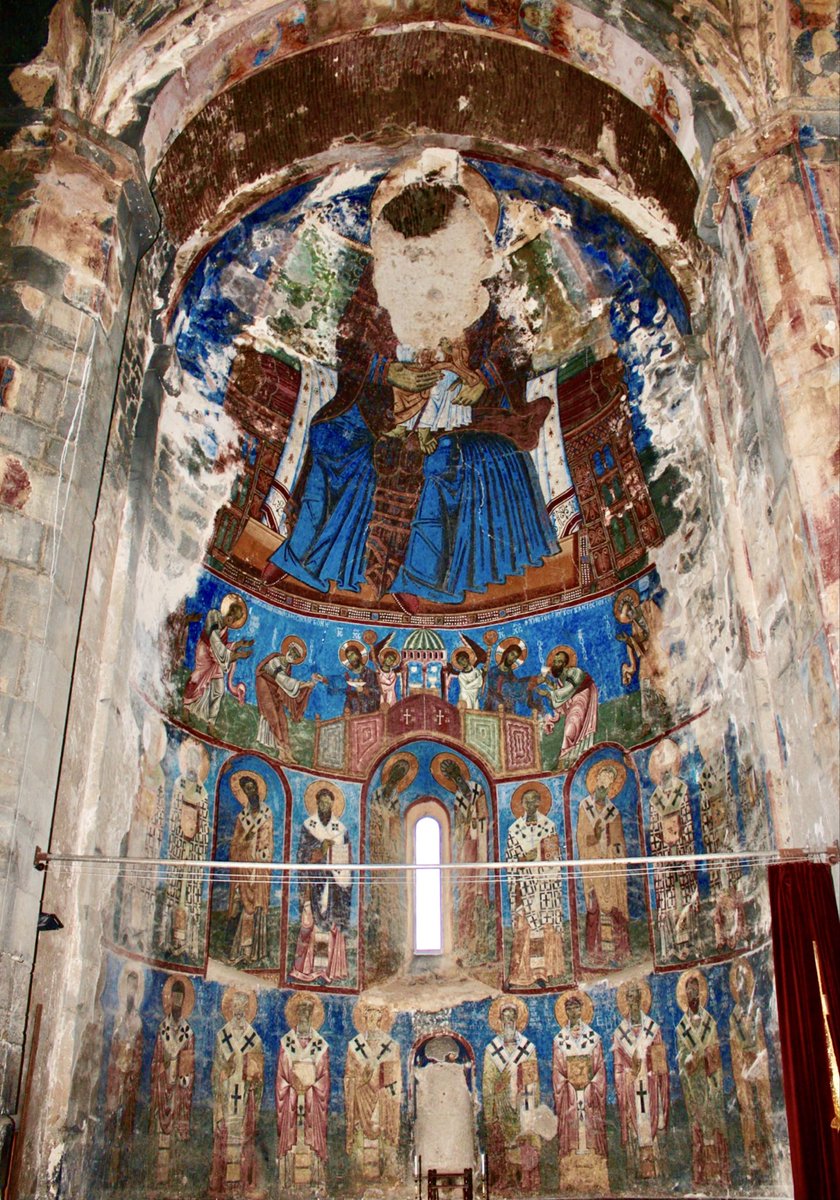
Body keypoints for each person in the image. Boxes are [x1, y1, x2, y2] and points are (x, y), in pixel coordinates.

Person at [261, 151, 556, 609]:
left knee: (446, 463)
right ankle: (304, 556)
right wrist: (386, 371)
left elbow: (516, 348)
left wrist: (483, 380)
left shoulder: (486, 283)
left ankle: (420, 579)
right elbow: (350, 342)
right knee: (330, 437)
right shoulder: (381, 278)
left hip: (468, 412)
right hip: (383, 403)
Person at [290, 783, 352, 984]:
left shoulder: (340, 830)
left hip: (333, 887)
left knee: (331, 926)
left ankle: (329, 970)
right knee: (311, 925)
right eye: (322, 802)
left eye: (328, 803)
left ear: (333, 805)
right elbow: (302, 856)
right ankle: (308, 969)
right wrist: (320, 849)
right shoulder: (309, 826)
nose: (325, 806)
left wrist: (339, 866)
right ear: (316, 804)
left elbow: (347, 861)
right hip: (313, 883)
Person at [505, 784, 566, 987]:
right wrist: (524, 858)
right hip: (524, 886)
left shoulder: (548, 826)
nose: (530, 804)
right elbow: (510, 860)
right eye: (526, 801)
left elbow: (554, 857)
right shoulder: (514, 830)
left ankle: (544, 972)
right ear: (521, 804)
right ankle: (522, 973)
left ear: (540, 802)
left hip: (544, 886)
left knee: (544, 927)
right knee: (524, 928)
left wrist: (538, 857)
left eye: (533, 800)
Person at [675, 970, 730, 1190]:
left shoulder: (709, 1022)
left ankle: (721, 1175)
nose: (692, 995)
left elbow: (715, 1049)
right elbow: (681, 1059)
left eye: (695, 991)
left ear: (701, 993)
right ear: (684, 996)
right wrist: (689, 1060)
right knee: (697, 1127)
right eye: (689, 991)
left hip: (710, 1081)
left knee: (716, 1125)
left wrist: (705, 1055)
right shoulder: (681, 1028)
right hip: (693, 1085)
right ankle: (700, 1176)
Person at [612, 980, 669, 1181]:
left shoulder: (653, 1029)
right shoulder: (620, 1033)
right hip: (631, 1088)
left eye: (636, 996)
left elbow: (660, 1064)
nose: (633, 1001)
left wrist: (649, 1068)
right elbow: (618, 1068)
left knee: (652, 1121)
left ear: (641, 998)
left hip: (650, 1085)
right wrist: (628, 1075)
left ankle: (657, 1169)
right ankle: (636, 1172)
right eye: (630, 997)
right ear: (626, 1001)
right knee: (634, 1124)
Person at [482, 997, 541, 1194]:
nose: (508, 1021)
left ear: (517, 1020)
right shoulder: (492, 1049)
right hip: (500, 1104)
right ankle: (505, 1178)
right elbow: (488, 1082)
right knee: (503, 1143)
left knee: (524, 1139)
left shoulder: (527, 1048)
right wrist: (490, 1110)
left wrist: (532, 1102)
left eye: (512, 1017)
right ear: (499, 1020)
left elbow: (533, 1078)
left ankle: (526, 1178)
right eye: (505, 1017)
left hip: (523, 1102)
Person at [552, 991, 609, 1194]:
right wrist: (570, 1085)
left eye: (576, 1007)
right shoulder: (559, 1040)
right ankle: (571, 1180)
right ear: (565, 1012)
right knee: (572, 1134)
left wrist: (589, 1085)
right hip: (570, 1097)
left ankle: (596, 1179)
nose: (573, 1012)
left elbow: (600, 1069)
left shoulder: (594, 1038)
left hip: (588, 1095)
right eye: (569, 1008)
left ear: (582, 1009)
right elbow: (557, 1072)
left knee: (591, 1132)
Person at [210, 987, 264, 1198]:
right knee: (225, 1136)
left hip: (244, 1098)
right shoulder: (222, 1036)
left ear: (248, 1009)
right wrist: (225, 1069)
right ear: (231, 1008)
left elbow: (258, 1077)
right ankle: (222, 1185)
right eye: (236, 1006)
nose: (239, 1011)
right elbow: (216, 1071)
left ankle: (243, 1184)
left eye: (243, 1007)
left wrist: (253, 1078)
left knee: (243, 1138)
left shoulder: (254, 1039)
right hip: (226, 1097)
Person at [648, 738, 698, 962]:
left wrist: (681, 840)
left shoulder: (681, 791)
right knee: (667, 901)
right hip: (665, 858)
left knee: (686, 896)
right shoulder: (655, 800)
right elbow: (653, 831)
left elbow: (687, 821)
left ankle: (691, 941)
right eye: (662, 768)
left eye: (668, 766)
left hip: (682, 852)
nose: (665, 772)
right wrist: (663, 846)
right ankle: (668, 946)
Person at [576, 759, 630, 966]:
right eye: (602, 778)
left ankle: (619, 952)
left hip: (610, 867)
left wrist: (615, 853)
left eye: (609, 780)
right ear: (596, 780)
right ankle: (595, 953)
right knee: (594, 908)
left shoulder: (613, 812)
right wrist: (595, 836)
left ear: (611, 786)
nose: (604, 783)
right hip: (592, 866)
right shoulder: (585, 807)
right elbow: (582, 838)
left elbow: (619, 842)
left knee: (615, 908)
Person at [366, 753, 415, 982]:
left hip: (391, 854)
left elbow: (395, 822)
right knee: (377, 899)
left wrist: (391, 831)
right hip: (378, 853)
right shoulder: (377, 793)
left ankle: (391, 950)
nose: (397, 777)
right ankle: (378, 950)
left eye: (401, 775)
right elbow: (375, 819)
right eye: (396, 772)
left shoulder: (395, 797)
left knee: (391, 901)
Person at [436, 755, 490, 959]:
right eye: (452, 777)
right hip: (466, 845)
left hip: (479, 842)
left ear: (461, 773)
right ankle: (465, 937)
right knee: (466, 888)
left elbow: (484, 817)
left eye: (456, 774)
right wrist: (465, 827)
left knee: (480, 888)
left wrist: (474, 822)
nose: (456, 779)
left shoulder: (477, 789)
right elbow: (459, 825)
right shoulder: (458, 797)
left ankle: (482, 939)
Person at [276, 993, 330, 1191]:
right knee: (293, 1140)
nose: (304, 1017)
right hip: (292, 1103)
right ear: (296, 1015)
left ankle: (315, 1182)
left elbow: (324, 1079)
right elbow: (281, 1078)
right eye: (301, 1013)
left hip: (311, 1104)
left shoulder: (320, 1045)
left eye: (308, 1013)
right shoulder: (286, 1043)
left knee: (311, 1141)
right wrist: (292, 1088)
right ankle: (288, 1182)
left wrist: (310, 1088)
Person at [162, 738, 209, 962]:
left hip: (194, 849)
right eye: (188, 759)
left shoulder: (203, 792)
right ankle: (168, 938)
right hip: (179, 846)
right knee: (174, 890)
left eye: (194, 760)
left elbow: (204, 823)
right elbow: (173, 815)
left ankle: (189, 943)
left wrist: (197, 838)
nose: (191, 764)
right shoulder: (179, 785)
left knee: (189, 895)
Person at [344, 1000, 401, 1183]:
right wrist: (363, 1078)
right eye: (369, 1013)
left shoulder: (391, 1046)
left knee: (382, 1136)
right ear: (364, 1016)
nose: (372, 1017)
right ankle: (359, 1179)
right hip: (361, 1099)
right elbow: (349, 1077)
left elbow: (394, 1080)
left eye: (376, 1013)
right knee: (361, 1139)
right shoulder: (355, 1045)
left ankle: (386, 1176)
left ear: (381, 1018)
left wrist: (384, 1089)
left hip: (382, 1101)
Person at [182, 593, 253, 737]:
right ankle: (185, 710)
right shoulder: (213, 616)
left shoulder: (226, 629)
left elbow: (223, 646)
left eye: (235, 618)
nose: (231, 619)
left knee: (219, 690)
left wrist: (240, 644)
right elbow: (215, 641)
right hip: (205, 652)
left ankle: (211, 724)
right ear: (228, 611)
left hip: (216, 657)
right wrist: (237, 655)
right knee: (197, 679)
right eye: (231, 614)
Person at [150, 975, 195, 1187]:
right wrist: (163, 1071)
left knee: (175, 1131)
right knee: (161, 1133)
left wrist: (183, 1079)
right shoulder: (163, 1029)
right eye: (174, 997)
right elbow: (156, 1059)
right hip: (163, 1087)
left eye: (180, 998)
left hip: (178, 1090)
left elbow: (189, 1063)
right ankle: (158, 1177)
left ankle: (175, 1178)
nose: (177, 1002)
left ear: (184, 1001)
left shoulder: (188, 1032)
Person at [728, 958, 772, 1178]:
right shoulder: (733, 1017)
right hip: (744, 1073)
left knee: (764, 1111)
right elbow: (734, 1047)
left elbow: (761, 1040)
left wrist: (756, 1058)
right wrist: (743, 1064)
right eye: (737, 983)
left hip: (759, 1070)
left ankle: (770, 1159)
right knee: (748, 1114)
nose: (741, 987)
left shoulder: (756, 1010)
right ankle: (752, 1163)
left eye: (743, 981)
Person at [226, 771, 273, 966]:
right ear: (244, 793)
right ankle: (241, 950)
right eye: (247, 790)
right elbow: (235, 844)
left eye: (253, 788)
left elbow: (268, 840)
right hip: (244, 867)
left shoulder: (266, 814)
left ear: (258, 790)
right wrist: (245, 840)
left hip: (259, 867)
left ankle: (254, 952)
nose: (251, 792)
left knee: (256, 909)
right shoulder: (242, 817)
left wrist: (259, 849)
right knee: (243, 908)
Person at [104, 968, 144, 1185]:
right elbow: (112, 1046)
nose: (131, 990)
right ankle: (107, 1171)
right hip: (115, 1077)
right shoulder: (118, 1016)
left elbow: (139, 1052)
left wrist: (132, 1072)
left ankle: (122, 1174)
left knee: (126, 1123)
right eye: (129, 985)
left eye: (134, 987)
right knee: (111, 1120)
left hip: (129, 1080)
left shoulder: (138, 1021)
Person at [255, 634, 323, 756]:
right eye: (291, 653)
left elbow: (288, 688)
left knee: (283, 721)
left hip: (275, 694)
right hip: (266, 690)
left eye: (295, 656)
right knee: (274, 718)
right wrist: (306, 684)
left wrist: (311, 683)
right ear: (287, 650)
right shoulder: (275, 660)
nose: (291, 656)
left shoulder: (287, 668)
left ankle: (287, 752)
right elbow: (284, 681)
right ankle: (280, 751)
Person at [537, 645, 598, 768]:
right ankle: (568, 759)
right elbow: (560, 693)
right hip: (573, 701)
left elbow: (568, 690)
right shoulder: (560, 678)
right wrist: (547, 683)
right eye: (554, 661)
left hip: (582, 697)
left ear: (565, 664)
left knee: (572, 725)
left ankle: (565, 759)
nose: (555, 664)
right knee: (570, 725)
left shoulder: (574, 672)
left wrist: (548, 694)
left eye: (559, 661)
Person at [484, 637, 537, 714]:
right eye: (512, 654)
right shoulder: (493, 671)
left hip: (508, 709)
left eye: (515, 657)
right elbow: (493, 689)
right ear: (506, 653)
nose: (513, 659)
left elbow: (517, 689)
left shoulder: (511, 676)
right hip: (494, 706)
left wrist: (529, 682)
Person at [340, 639, 381, 715]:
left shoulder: (370, 673)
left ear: (358, 654)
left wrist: (365, 690)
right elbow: (348, 696)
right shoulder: (348, 675)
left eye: (352, 655)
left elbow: (379, 692)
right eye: (349, 657)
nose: (351, 659)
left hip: (369, 712)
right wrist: (347, 707)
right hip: (354, 712)